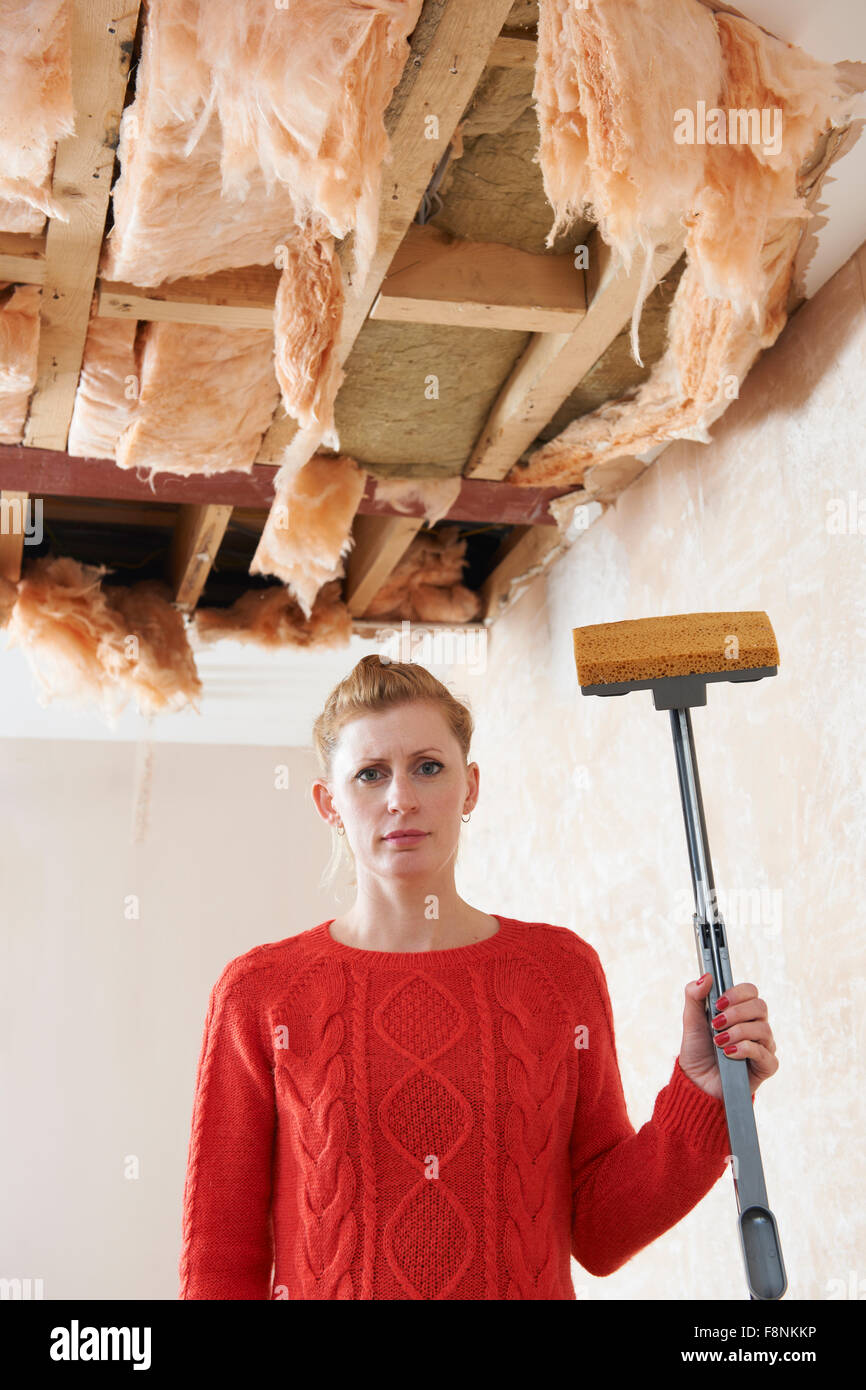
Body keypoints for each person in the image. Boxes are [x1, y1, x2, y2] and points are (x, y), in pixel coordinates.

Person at [178, 654, 778, 1300]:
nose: (400, 798)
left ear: (470, 788)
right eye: (371, 774)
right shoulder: (258, 994)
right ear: (329, 803)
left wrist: (703, 1091)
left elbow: (601, 1233)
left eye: (428, 767)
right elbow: (220, 1259)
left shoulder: (558, 973)